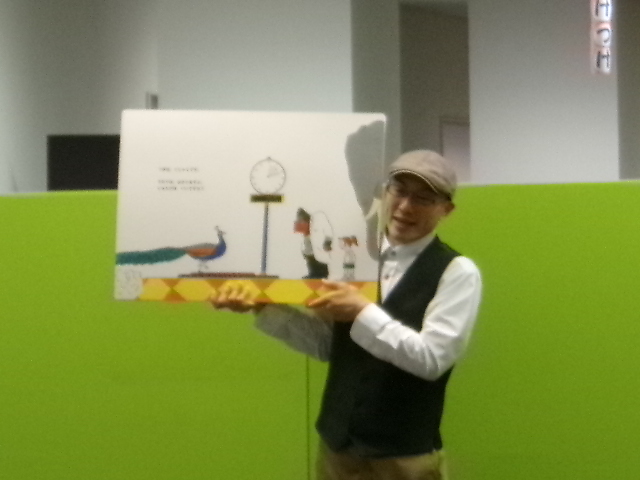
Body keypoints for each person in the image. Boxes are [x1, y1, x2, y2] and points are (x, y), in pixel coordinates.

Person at [210, 150, 482, 480]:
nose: (406, 206)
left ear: (446, 210)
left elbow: (432, 360)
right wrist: (262, 306)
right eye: (399, 190)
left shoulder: (456, 272)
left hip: (404, 457)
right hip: (337, 449)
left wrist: (363, 311)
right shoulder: (348, 258)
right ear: (384, 193)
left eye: (424, 198)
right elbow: (328, 345)